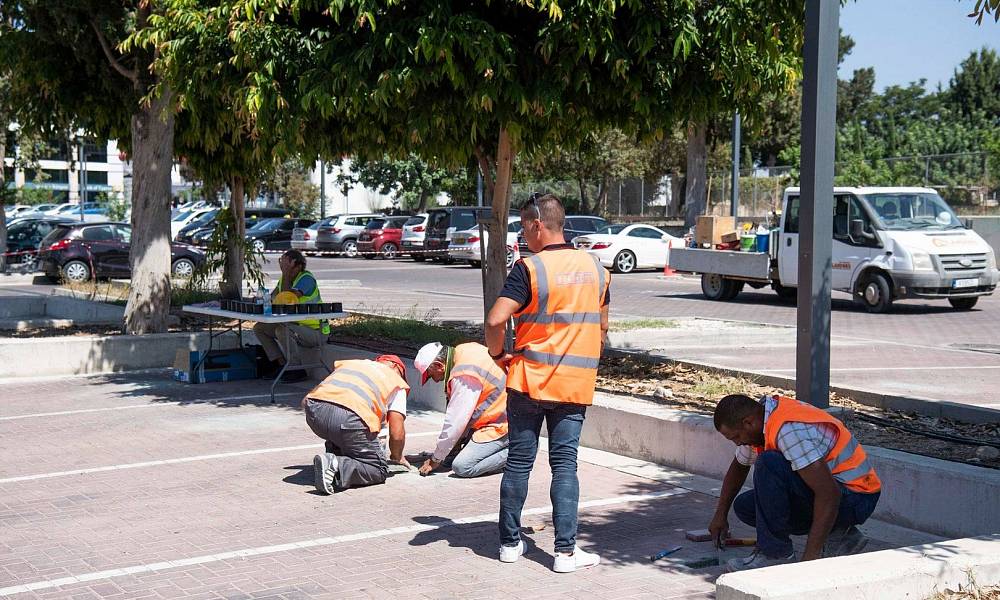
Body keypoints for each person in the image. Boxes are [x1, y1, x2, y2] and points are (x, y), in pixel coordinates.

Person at [484, 193, 611, 574]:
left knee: (519, 463)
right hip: (573, 386)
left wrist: (497, 355)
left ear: (537, 224)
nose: (522, 235)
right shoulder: (597, 268)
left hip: (527, 382)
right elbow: (602, 327)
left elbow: (494, 321)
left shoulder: (529, 269)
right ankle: (566, 553)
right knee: (565, 466)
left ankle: (509, 544)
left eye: (523, 226)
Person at [708, 393, 882, 572]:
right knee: (746, 507)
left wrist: (809, 559)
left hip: (857, 497)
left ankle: (775, 555)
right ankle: (841, 535)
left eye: (736, 437)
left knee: (769, 463)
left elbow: (829, 494)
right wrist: (720, 514)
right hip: (840, 492)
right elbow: (739, 466)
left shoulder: (788, 431)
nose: (738, 443)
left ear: (748, 422)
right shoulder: (762, 422)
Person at [303, 354, 411, 494]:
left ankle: (334, 454)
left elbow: (307, 400)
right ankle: (336, 465)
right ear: (397, 367)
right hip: (349, 419)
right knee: (377, 469)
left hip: (314, 413)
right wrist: (397, 457)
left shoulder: (353, 365)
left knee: (343, 427)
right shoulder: (396, 382)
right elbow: (397, 434)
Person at [413, 341, 509, 478]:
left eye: (431, 375)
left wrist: (435, 460)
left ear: (439, 366)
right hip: (506, 416)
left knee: (463, 466)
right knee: (457, 452)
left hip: (503, 425)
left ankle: (518, 452)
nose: (434, 380)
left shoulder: (463, 375)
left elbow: (456, 422)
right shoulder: (464, 350)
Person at [253, 249, 330, 383]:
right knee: (260, 328)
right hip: (295, 326)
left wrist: (286, 273)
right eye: (282, 265)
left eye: (288, 266)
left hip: (315, 331)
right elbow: (273, 297)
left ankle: (296, 369)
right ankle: (282, 365)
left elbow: (287, 299)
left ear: (298, 266)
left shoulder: (306, 279)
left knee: (282, 330)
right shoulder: (285, 279)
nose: (285, 270)